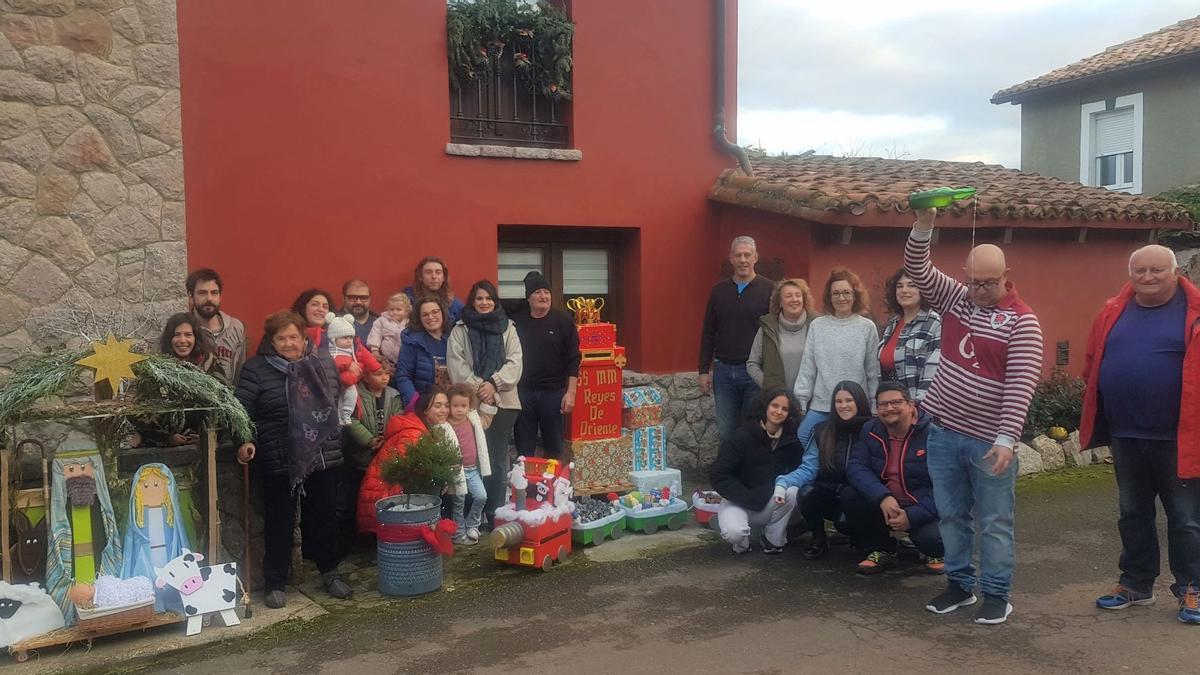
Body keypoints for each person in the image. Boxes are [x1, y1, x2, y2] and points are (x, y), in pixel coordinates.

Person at [906, 207, 1043, 625]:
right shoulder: (955, 298)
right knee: (950, 514)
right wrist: (924, 224)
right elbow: (916, 267)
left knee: (996, 522)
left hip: (988, 443)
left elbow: (1021, 385)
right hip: (944, 432)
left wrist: (1006, 439)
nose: (980, 290)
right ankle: (959, 585)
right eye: (974, 281)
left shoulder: (1023, 323)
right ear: (964, 273)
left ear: (1006, 275)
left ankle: (998, 593)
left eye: (989, 283)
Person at [1080, 244, 1200, 625]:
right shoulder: (1113, 310)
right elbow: (1091, 362)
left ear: (1176, 272)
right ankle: (1135, 584)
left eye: (1156, 270)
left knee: (1186, 519)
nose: (1147, 278)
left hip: (1181, 437)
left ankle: (1193, 587)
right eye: (1140, 271)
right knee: (1132, 513)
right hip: (1127, 434)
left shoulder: (1195, 313)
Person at [234, 310, 352, 608]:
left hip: (322, 453)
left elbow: (333, 398)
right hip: (280, 455)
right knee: (279, 521)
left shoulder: (322, 361)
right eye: (281, 338)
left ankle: (330, 571)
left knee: (324, 516)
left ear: (303, 338)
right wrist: (243, 440)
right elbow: (240, 411)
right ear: (271, 341)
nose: (288, 344)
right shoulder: (255, 370)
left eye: (293, 337)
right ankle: (275, 581)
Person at [844, 382, 944, 575]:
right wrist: (882, 497)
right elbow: (856, 467)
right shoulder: (870, 430)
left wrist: (913, 515)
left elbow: (947, 486)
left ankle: (933, 551)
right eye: (883, 404)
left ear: (910, 405)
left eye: (896, 402)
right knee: (850, 495)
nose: (889, 408)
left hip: (923, 504)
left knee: (933, 541)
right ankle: (882, 549)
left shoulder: (934, 433)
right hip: (887, 503)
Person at [448, 280, 523, 526]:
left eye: (488, 298)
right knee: (472, 457)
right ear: (472, 301)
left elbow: (515, 362)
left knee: (498, 457)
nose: (484, 303)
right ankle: (472, 512)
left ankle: (494, 511)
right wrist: (482, 387)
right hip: (469, 403)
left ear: (495, 301)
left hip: (504, 402)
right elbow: (456, 366)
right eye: (479, 298)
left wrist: (494, 384)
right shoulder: (460, 329)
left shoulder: (508, 327)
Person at [793, 268, 881, 452]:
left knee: (852, 450)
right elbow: (808, 367)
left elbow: (873, 371)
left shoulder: (867, 327)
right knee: (802, 438)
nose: (841, 298)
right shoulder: (818, 326)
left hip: (855, 407)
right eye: (836, 293)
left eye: (846, 292)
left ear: (855, 295)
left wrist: (874, 405)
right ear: (829, 297)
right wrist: (801, 402)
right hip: (822, 404)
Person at [709, 388, 805, 554]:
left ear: (789, 414)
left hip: (768, 502)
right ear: (766, 407)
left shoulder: (791, 441)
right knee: (735, 533)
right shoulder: (742, 436)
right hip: (737, 501)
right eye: (775, 405)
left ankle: (772, 539)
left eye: (785, 409)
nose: (779, 411)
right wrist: (746, 497)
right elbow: (719, 474)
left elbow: (798, 471)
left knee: (793, 490)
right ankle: (742, 541)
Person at [783, 381, 872, 560]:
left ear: (859, 402)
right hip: (828, 488)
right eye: (839, 401)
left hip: (859, 493)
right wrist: (783, 482)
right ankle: (818, 537)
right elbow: (809, 468)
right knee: (806, 493)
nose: (843, 405)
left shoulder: (872, 429)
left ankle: (864, 536)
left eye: (849, 400)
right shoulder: (822, 430)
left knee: (845, 523)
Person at [698, 236, 775, 442]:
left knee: (751, 428)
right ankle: (727, 473)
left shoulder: (770, 290)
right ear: (731, 258)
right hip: (723, 372)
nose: (743, 260)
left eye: (747, 255)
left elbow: (775, 334)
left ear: (755, 258)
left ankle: (748, 474)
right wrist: (703, 370)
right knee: (726, 431)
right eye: (738, 255)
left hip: (754, 372)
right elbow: (708, 331)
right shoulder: (718, 291)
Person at [357, 385, 451, 534]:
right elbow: (407, 472)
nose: (444, 410)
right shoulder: (413, 434)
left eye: (446, 405)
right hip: (385, 498)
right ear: (425, 410)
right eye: (437, 406)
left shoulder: (423, 428)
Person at [511, 271, 580, 460]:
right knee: (524, 449)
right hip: (523, 393)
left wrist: (571, 393)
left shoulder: (563, 321)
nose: (544, 296)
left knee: (554, 448)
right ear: (528, 297)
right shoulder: (516, 322)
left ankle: (555, 487)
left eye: (546, 292)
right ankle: (526, 488)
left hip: (553, 393)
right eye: (538, 292)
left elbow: (573, 359)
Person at [130, 313, 225, 448]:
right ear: (169, 338)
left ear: (196, 337)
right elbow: (137, 411)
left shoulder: (210, 366)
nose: (182, 340)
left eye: (188, 335)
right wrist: (166, 437)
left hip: (203, 448)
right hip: (163, 450)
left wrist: (207, 436)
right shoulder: (154, 371)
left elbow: (225, 406)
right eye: (177, 335)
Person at [879, 269, 942, 403]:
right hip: (889, 409)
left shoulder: (934, 324)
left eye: (912, 285)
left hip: (916, 410)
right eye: (899, 286)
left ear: (924, 290)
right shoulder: (892, 325)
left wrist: (916, 411)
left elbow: (932, 374)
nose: (904, 290)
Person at [747, 278, 816, 394]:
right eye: (788, 296)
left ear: (804, 299)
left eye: (798, 295)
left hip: (811, 399)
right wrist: (770, 387)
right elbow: (752, 364)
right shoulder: (767, 328)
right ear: (779, 302)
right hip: (777, 402)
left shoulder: (817, 325)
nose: (794, 299)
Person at [444, 383, 492, 545]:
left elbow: (485, 422)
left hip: (472, 470)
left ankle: (472, 524)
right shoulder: (445, 425)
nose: (459, 410)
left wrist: (489, 404)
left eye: (463, 406)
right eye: (455, 406)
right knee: (459, 502)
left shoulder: (473, 419)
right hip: (457, 471)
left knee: (481, 496)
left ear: (469, 406)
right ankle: (458, 533)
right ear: (449, 405)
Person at [187, 268, 247, 385]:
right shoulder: (180, 329)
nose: (209, 298)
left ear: (220, 296)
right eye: (202, 293)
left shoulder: (236, 328)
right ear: (191, 296)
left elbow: (241, 371)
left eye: (214, 293)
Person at [393, 296, 451, 407]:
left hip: (451, 408)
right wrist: (415, 404)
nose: (430, 317)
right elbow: (403, 376)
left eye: (435, 312)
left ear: (443, 313)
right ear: (419, 318)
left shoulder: (453, 340)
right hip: (424, 408)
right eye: (425, 315)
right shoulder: (412, 343)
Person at [326, 312, 381, 427]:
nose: (348, 340)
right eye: (344, 338)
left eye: (350, 337)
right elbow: (334, 363)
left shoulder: (355, 348)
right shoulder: (331, 351)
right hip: (336, 383)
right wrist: (349, 364)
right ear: (333, 339)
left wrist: (376, 367)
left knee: (352, 396)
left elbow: (367, 357)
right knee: (338, 401)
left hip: (350, 383)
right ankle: (340, 418)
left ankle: (346, 415)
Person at [405, 256, 465, 324]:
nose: (434, 276)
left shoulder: (455, 305)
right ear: (420, 277)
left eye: (438, 272)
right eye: (428, 272)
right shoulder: (406, 300)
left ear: (444, 277)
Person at [367, 292, 411, 364]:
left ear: (406, 311)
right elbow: (375, 333)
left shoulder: (409, 323)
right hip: (386, 358)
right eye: (391, 309)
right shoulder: (382, 320)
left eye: (398, 309)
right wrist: (374, 350)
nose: (394, 312)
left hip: (406, 359)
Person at [341, 279, 378, 344]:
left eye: (364, 298)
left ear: (370, 299)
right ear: (344, 298)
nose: (358, 302)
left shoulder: (380, 321)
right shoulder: (333, 321)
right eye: (352, 297)